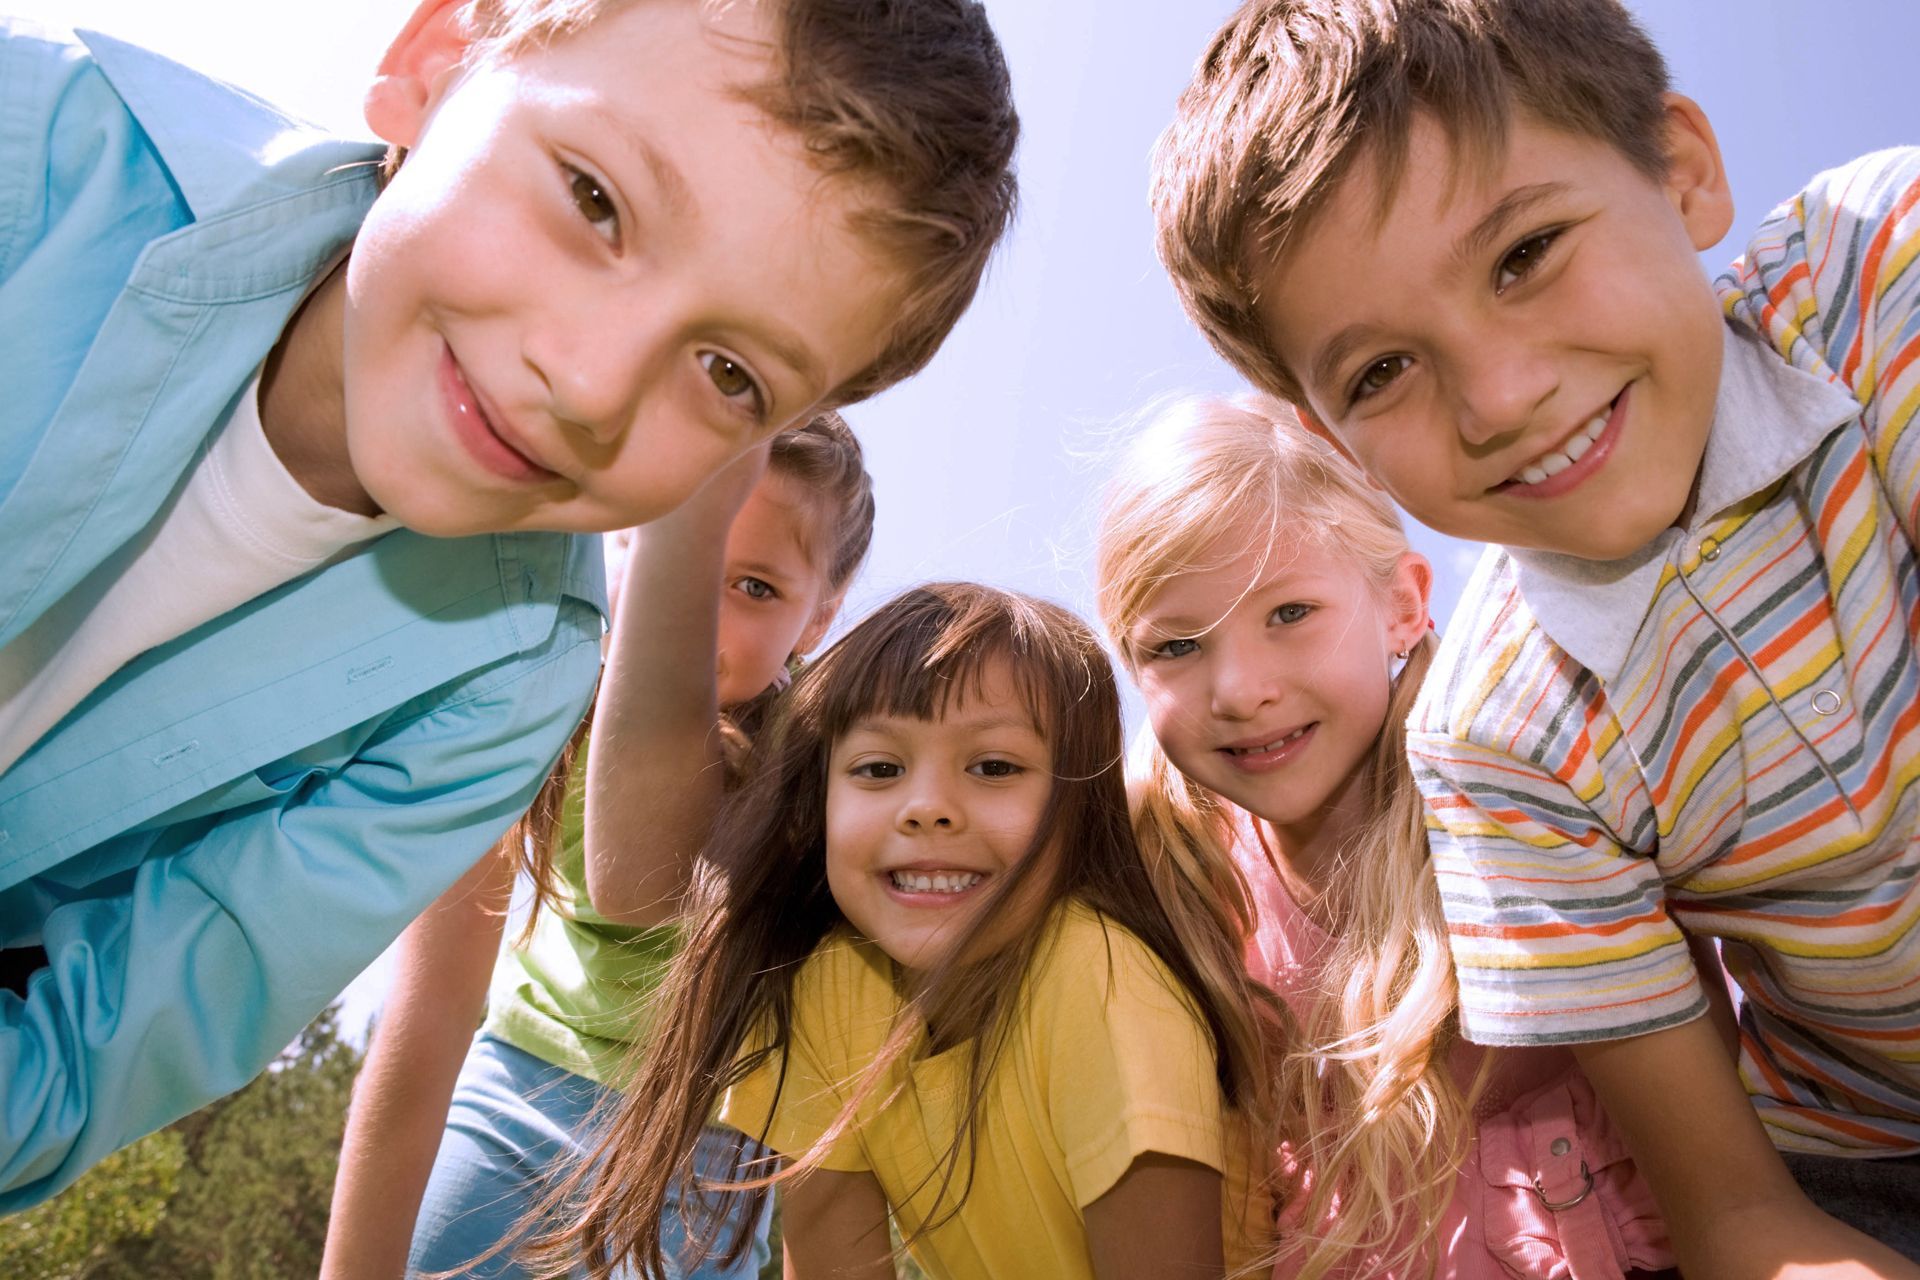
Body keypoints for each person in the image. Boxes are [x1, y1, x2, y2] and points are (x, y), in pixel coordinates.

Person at [0, 0, 1017, 1209]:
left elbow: (82, 1059)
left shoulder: (509, 681)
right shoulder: (38, 148)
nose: (589, 383)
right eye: (595, 200)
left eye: (729, 373)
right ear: (435, 62)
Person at [1149, 0, 1920, 1272]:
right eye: (1382, 370)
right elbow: (1740, 1217)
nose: (1500, 397)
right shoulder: (1497, 743)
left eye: (1525, 254)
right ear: (1339, 441)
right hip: (1863, 1166)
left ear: (1681, 170)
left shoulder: (1875, 273)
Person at [529, 583, 1283, 1280]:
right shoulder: (833, 982)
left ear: (1080, 811)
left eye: (994, 767)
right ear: (818, 804)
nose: (927, 807)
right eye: (879, 769)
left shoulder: (1106, 981)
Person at [1097, 392, 1674, 1278]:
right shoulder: (1179, 874)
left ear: (1403, 605)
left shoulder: (1514, 787)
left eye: (1289, 613)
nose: (1241, 689)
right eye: (1176, 647)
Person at [320, 412, 874, 1279]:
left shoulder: (834, 779)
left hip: (707, 1172)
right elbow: (429, 1015)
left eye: (755, 587)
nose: (696, 613)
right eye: (670, 549)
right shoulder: (524, 714)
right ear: (615, 535)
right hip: (507, 1117)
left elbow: (834, 1088)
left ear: (820, 617)